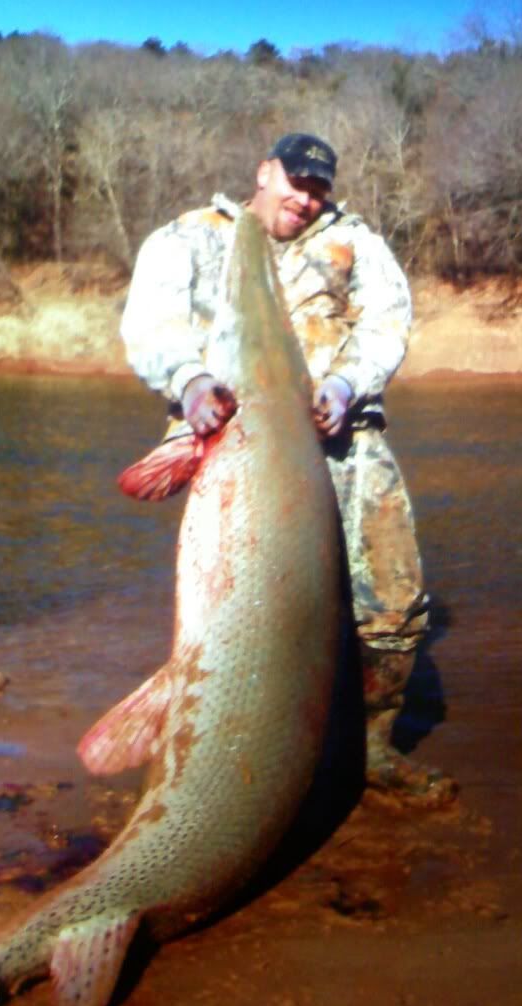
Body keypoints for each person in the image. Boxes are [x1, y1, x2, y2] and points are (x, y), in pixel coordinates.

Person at [120, 132, 456, 803]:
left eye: (318, 190)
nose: (306, 201)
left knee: (392, 600)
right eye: (296, 184)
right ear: (264, 171)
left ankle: (369, 748)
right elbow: (150, 323)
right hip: (230, 450)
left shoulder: (354, 241)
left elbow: (387, 322)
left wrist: (344, 384)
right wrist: (189, 383)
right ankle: (230, 759)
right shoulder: (191, 236)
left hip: (344, 441)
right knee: (241, 615)